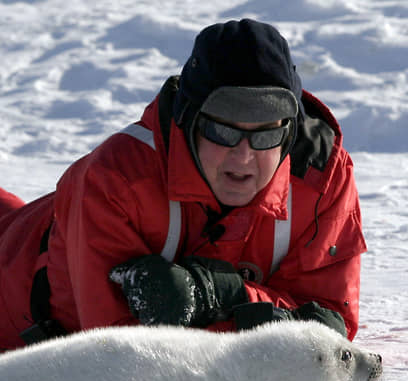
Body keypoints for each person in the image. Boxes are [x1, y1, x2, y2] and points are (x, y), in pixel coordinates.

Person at [0, 19, 367, 352]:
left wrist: (220, 293)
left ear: (288, 133)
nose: (242, 157)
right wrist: (274, 324)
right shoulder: (112, 180)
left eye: (266, 134)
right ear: (189, 122)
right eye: (223, 131)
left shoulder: (321, 179)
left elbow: (333, 327)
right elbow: (126, 357)